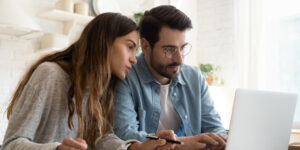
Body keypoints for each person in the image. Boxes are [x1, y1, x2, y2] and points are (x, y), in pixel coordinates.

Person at [2, 13, 176, 150]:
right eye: (129, 47)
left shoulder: (99, 88)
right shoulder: (50, 75)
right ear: (105, 42)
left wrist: (135, 147)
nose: (134, 59)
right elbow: (11, 144)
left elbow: (100, 139)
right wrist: (57, 148)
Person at [113, 5, 227, 150]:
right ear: (146, 46)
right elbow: (125, 134)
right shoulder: (126, 77)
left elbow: (215, 128)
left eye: (183, 48)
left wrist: (222, 140)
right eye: (169, 50)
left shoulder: (194, 77)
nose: (179, 58)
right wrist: (181, 144)